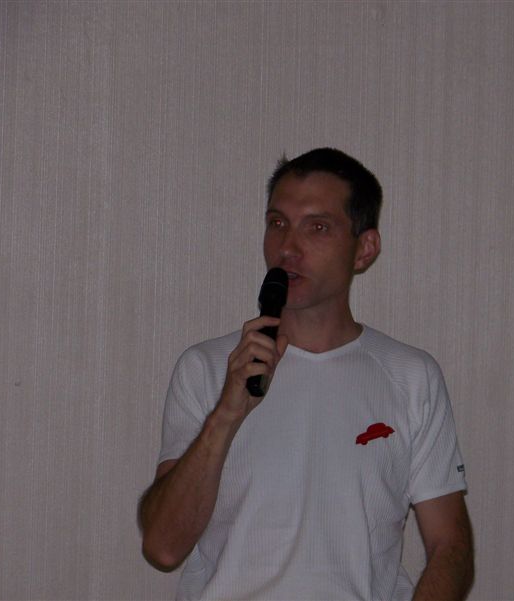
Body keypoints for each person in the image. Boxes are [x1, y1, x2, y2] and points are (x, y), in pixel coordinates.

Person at [138, 148, 474, 600]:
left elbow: (450, 545)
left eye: (317, 227)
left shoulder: (411, 376)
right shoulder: (207, 367)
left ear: (364, 249)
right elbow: (162, 547)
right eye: (277, 223)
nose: (287, 248)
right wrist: (227, 413)